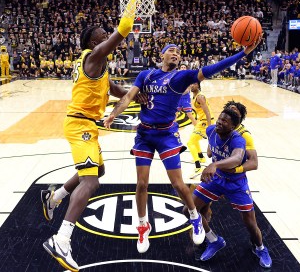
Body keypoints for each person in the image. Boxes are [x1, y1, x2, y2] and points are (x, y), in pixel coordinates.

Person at [104, 37, 261, 254]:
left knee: (178, 184)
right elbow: (128, 96)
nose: (176, 53)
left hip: (167, 135)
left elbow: (213, 68)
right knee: (141, 184)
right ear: (162, 56)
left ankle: (195, 217)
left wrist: (243, 54)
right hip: (145, 135)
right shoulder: (146, 74)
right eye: (171, 50)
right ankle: (142, 225)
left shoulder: (180, 77)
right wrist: (113, 114)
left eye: (178, 51)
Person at [40, 0, 144, 272]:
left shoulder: (98, 66)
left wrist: (137, 94)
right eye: (101, 31)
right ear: (92, 40)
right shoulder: (94, 55)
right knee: (91, 182)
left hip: (86, 123)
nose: (105, 33)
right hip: (79, 124)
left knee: (98, 170)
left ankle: (56, 196)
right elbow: (124, 27)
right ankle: (61, 239)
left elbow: (115, 89)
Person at [185, 105, 271, 268]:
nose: (220, 121)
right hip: (216, 179)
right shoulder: (212, 130)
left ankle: (260, 248)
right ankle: (213, 240)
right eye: (221, 117)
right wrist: (214, 158)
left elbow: (243, 159)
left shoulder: (242, 137)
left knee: (250, 223)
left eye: (226, 119)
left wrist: (219, 165)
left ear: (236, 124)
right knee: (190, 210)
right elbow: (210, 151)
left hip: (236, 183)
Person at [187, 81, 213, 176]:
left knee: (190, 142)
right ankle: (201, 157)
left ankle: (198, 167)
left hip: (205, 122)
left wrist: (209, 127)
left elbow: (207, 112)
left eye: (193, 84)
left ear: (198, 85)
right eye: (190, 84)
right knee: (194, 140)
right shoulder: (195, 96)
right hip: (201, 121)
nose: (191, 85)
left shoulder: (200, 97)